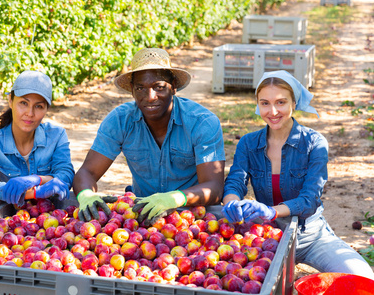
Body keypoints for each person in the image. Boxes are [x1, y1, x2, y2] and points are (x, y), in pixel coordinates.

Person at [222, 70, 374, 279]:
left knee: (362, 278)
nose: (273, 111)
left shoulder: (314, 143)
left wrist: (271, 211)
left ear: (294, 102)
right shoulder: (248, 143)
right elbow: (235, 182)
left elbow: (309, 199)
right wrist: (232, 202)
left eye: (281, 102)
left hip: (310, 235)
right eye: (265, 103)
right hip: (264, 237)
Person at [73, 48, 225, 225]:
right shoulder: (120, 120)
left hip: (191, 215)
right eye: (140, 88)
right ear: (132, 90)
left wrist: (175, 198)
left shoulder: (202, 123)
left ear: (173, 86)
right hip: (143, 215)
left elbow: (214, 187)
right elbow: (87, 172)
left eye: (159, 87)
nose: (150, 97)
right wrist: (85, 195)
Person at [0, 70, 74, 206]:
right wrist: (33, 193)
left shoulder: (56, 136)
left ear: (46, 109)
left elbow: (66, 175)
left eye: (38, 106)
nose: (30, 113)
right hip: (11, 220)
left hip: (49, 216)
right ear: (10, 100)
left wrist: (37, 179)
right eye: (23, 103)